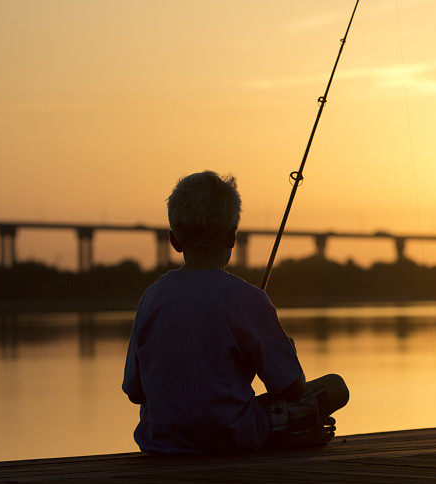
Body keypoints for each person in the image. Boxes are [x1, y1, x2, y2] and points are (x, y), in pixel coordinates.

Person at [122, 170, 349, 454]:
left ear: (174, 241)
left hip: (162, 443)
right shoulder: (248, 299)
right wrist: (284, 351)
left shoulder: (151, 298)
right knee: (336, 387)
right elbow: (292, 389)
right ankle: (291, 435)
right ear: (233, 237)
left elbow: (134, 392)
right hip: (232, 438)